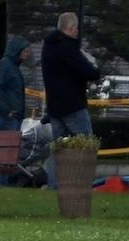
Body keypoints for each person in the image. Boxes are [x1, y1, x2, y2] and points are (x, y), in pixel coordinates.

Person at [40, 11, 99, 189]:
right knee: (86, 144)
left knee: (58, 149)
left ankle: (54, 184)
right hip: (73, 105)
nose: (77, 32)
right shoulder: (68, 48)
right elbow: (90, 72)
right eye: (76, 29)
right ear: (71, 28)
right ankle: (83, 183)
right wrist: (93, 66)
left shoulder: (48, 47)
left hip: (54, 107)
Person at [0, 35, 28, 133]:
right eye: (25, 51)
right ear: (17, 51)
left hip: (13, 117)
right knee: (9, 146)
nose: (27, 55)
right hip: (6, 118)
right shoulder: (5, 65)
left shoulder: (13, 67)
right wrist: (7, 111)